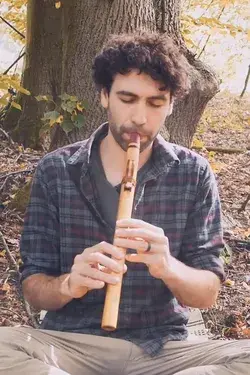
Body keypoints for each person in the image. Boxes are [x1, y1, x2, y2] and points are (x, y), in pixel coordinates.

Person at [0, 32, 249, 375]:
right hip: (73, 345)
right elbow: (34, 288)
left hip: (162, 349)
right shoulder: (56, 170)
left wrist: (167, 266)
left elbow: (206, 295)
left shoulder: (193, 173)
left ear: (172, 104)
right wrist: (70, 283)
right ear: (104, 95)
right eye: (127, 98)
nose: (140, 118)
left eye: (155, 103)